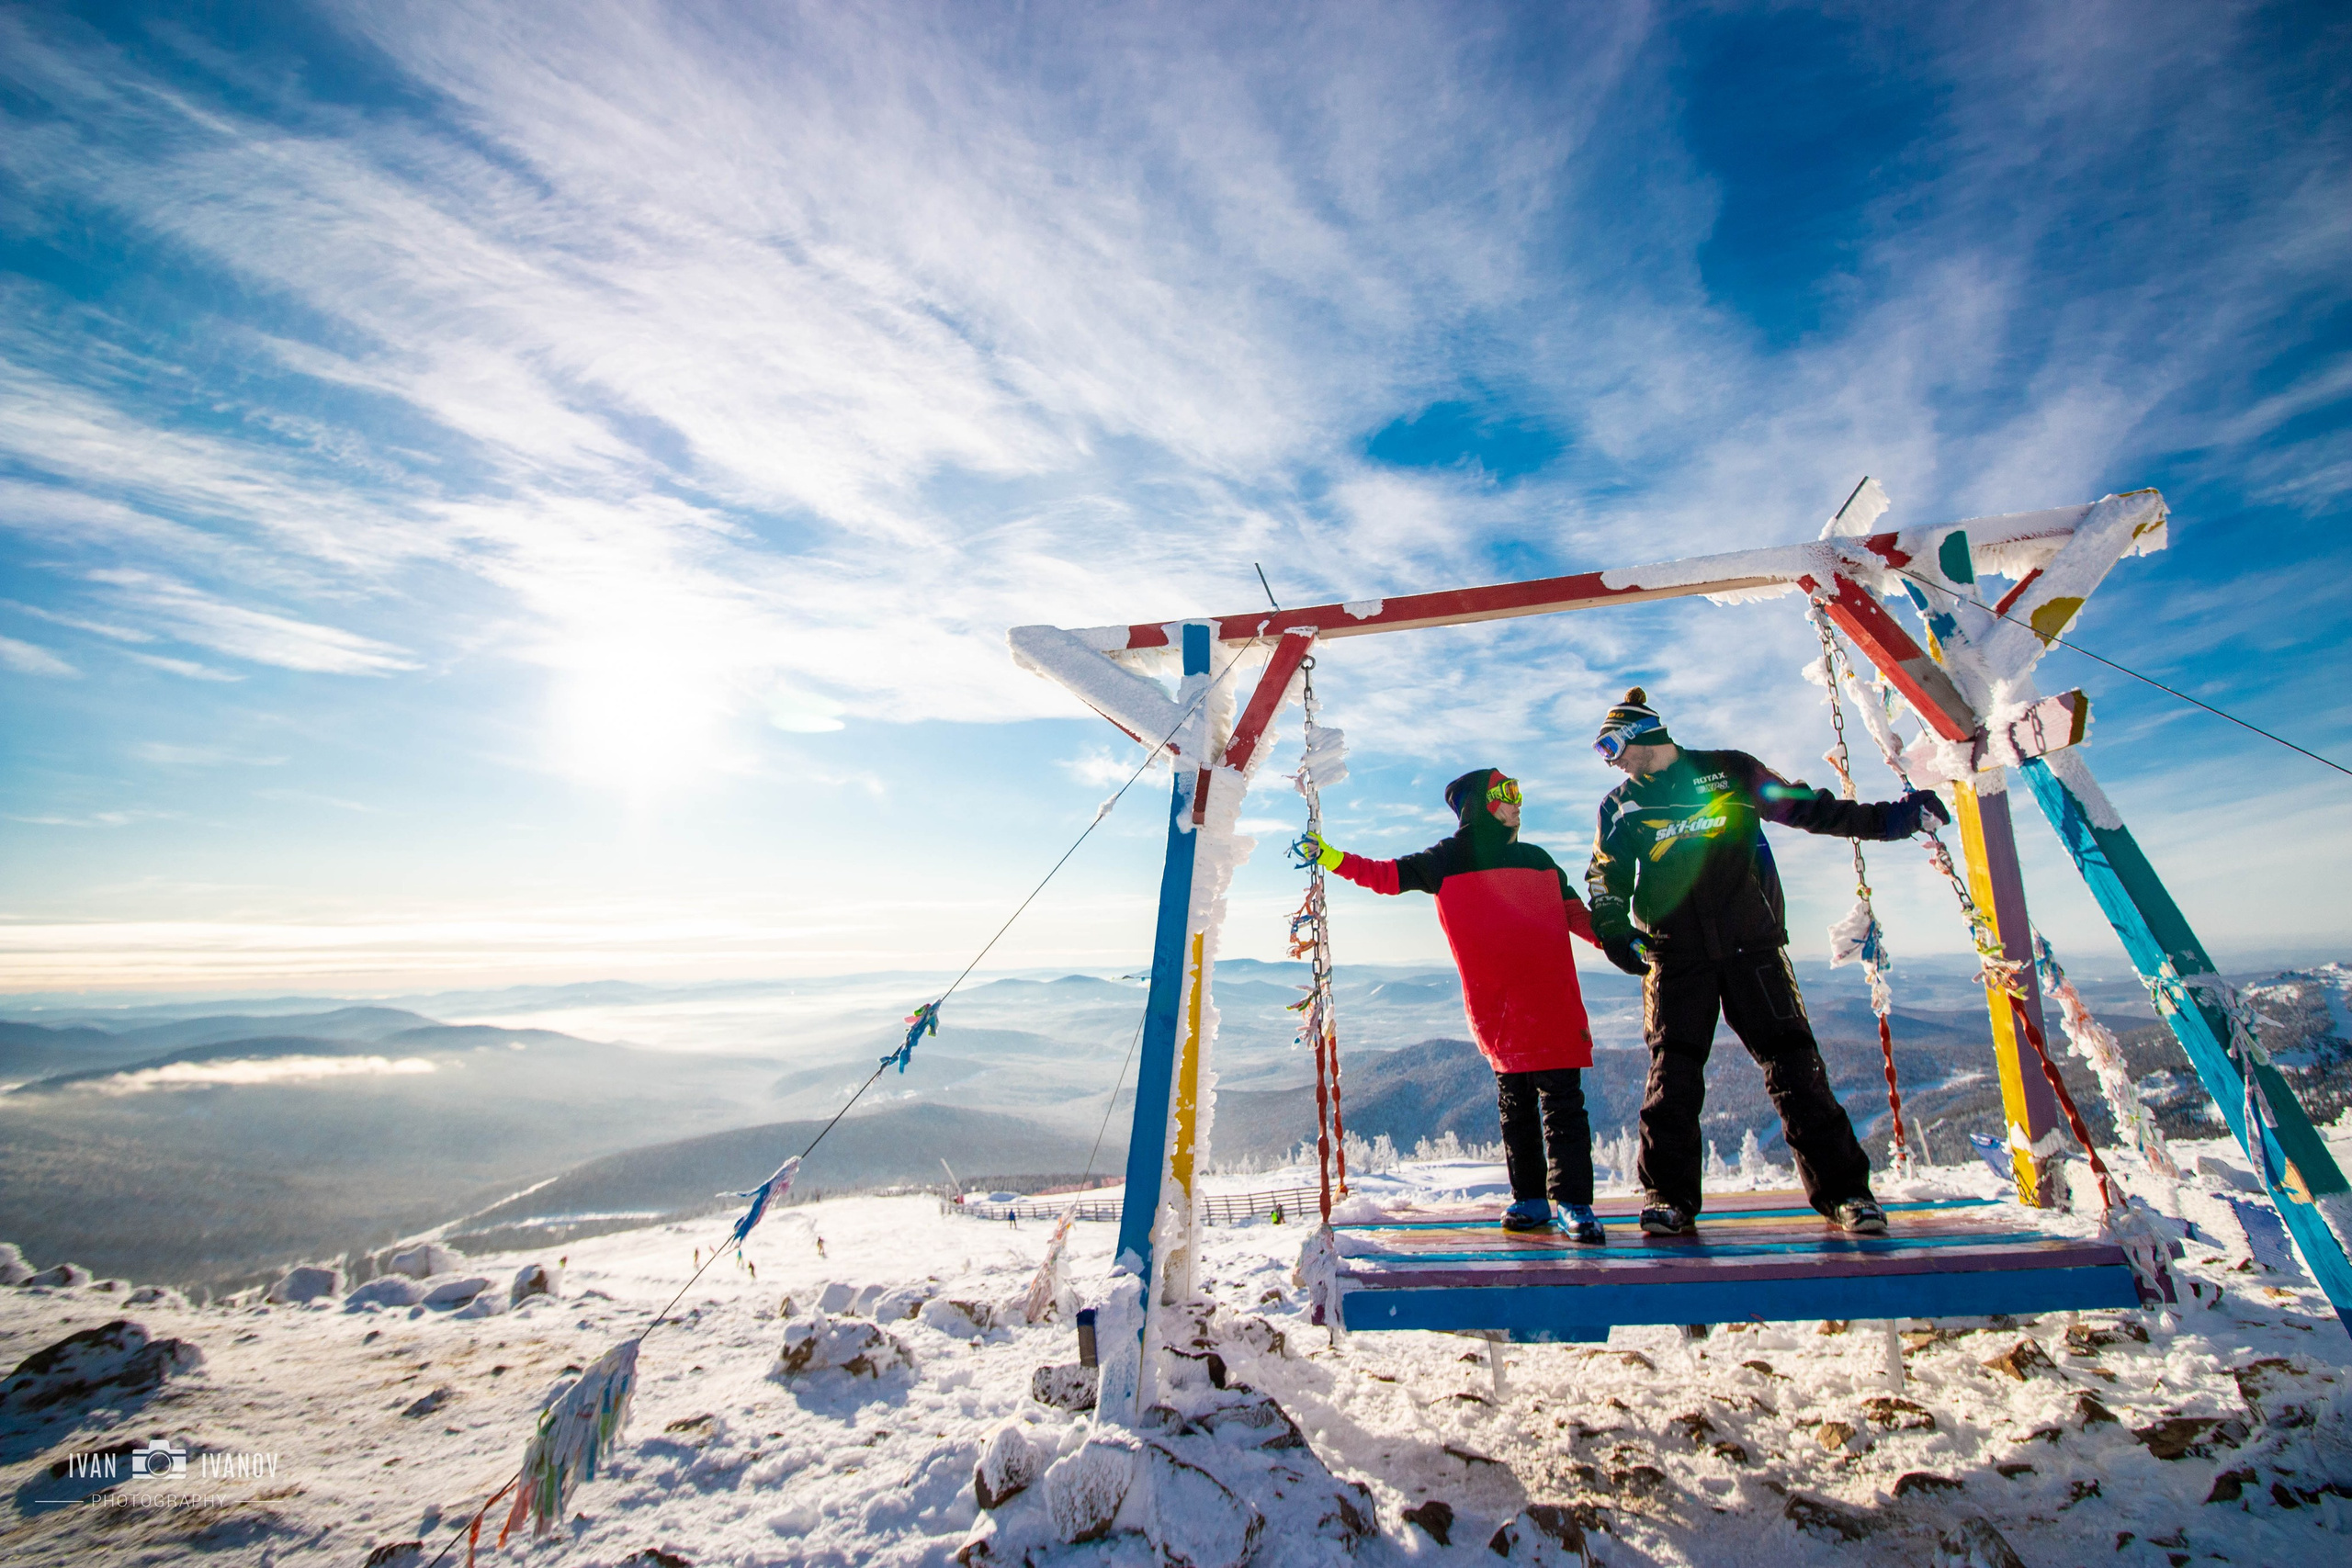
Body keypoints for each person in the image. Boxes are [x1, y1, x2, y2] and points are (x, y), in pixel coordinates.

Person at [1582, 688, 1950, 1237]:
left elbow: (1811, 809)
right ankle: (1667, 1199)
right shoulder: (1620, 804)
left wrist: (1893, 821)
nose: (1611, 760)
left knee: (1796, 1069)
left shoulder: (1731, 772)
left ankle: (1848, 1195)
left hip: (1751, 948)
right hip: (1675, 956)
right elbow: (1605, 876)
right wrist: (1614, 933)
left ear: (1641, 733)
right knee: (1672, 1077)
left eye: (1612, 745)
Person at [1295, 768, 1610, 1241]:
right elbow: (1387, 876)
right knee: (1517, 1107)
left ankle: (1574, 1204)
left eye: (1519, 791)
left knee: (1564, 1105)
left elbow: (1574, 915)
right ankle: (1531, 1199)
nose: (1518, 802)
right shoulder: (1448, 858)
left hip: (1551, 1002)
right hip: (1502, 1011)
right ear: (1481, 803)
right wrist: (1334, 857)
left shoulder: (1540, 860)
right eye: (1507, 793)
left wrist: (1624, 945)